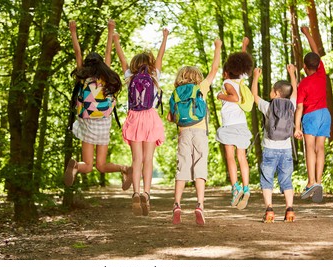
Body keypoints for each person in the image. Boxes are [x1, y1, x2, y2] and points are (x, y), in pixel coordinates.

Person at [64, 20, 133, 190]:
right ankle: (124, 169)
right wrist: (111, 30)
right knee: (101, 166)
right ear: (101, 63)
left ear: (87, 63)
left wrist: (73, 31)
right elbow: (108, 51)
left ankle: (75, 167)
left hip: (87, 121)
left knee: (87, 166)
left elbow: (77, 52)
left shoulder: (83, 75)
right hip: (103, 121)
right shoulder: (105, 75)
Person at [113, 28, 169, 216]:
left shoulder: (130, 77)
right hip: (150, 117)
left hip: (134, 118)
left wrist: (116, 40)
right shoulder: (154, 76)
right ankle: (147, 193)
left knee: (136, 160)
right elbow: (161, 56)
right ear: (151, 64)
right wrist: (164, 37)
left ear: (134, 65)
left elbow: (121, 59)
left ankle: (135, 193)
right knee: (148, 160)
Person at [167, 39, 222, 225]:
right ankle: (199, 205)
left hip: (183, 132)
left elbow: (170, 117)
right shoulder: (200, 88)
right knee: (200, 168)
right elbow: (214, 69)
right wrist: (217, 47)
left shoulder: (175, 93)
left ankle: (176, 204)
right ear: (197, 76)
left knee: (182, 168)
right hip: (199, 133)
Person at [252, 64, 297, 223]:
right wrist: (292, 73)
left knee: (267, 179)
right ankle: (289, 210)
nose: (270, 92)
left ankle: (269, 210)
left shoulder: (268, 106)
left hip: (269, 148)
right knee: (286, 179)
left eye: (272, 90)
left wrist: (256, 77)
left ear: (277, 93)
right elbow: (295, 91)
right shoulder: (291, 105)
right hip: (286, 149)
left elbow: (254, 96)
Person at [294, 26, 331, 203]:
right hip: (325, 114)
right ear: (317, 65)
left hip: (311, 115)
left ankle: (311, 182)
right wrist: (307, 33)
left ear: (304, 66)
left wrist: (297, 127)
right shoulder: (322, 73)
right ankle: (320, 181)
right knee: (320, 148)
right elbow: (315, 52)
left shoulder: (303, 84)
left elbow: (299, 108)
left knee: (310, 148)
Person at [215, 37, 253, 210]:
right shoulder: (240, 80)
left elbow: (235, 98)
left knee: (231, 157)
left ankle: (235, 187)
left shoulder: (227, 83)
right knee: (242, 157)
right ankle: (246, 188)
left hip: (230, 126)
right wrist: (244, 46)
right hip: (242, 125)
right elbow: (242, 62)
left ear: (226, 72)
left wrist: (221, 96)